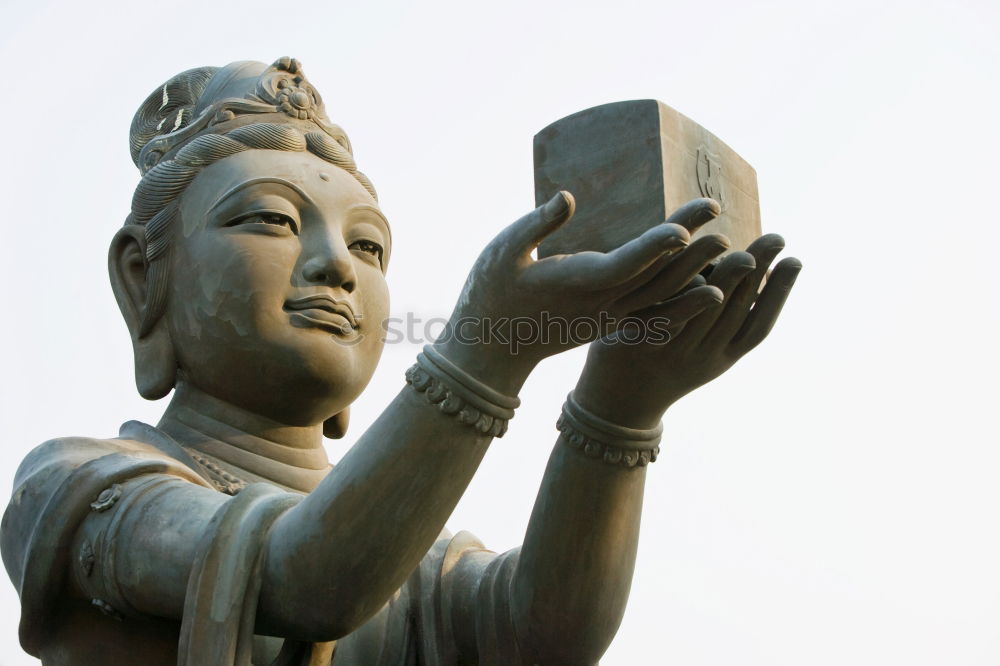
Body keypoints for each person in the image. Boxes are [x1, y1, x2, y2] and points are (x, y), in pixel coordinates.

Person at [0, 58, 801, 665]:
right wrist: (484, 349)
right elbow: (305, 578)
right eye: (273, 222)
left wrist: (620, 404)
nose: (337, 267)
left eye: (368, 244)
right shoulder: (80, 488)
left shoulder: (420, 561)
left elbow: (540, 631)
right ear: (145, 278)